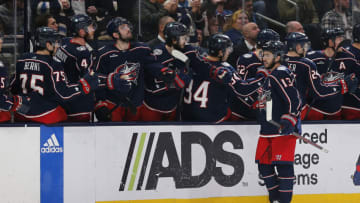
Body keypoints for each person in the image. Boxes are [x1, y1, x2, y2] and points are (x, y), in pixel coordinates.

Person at [10, 27, 100, 124]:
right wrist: (83, 86)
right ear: (48, 45)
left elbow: (13, 87)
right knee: (63, 114)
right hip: (44, 114)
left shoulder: (23, 59)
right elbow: (62, 94)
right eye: (55, 43)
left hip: (22, 112)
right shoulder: (53, 64)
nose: (58, 46)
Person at [93, 17, 175, 122]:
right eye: (123, 27)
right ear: (115, 35)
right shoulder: (104, 54)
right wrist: (100, 104)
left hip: (135, 104)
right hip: (113, 104)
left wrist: (163, 71)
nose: (128, 29)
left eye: (128, 26)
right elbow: (97, 78)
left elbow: (152, 64)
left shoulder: (141, 49)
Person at [255, 40, 301, 203]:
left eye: (267, 55)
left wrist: (290, 118)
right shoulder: (271, 76)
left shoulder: (281, 72)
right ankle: (275, 198)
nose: (263, 58)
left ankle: (283, 201)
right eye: (263, 55)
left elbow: (294, 98)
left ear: (279, 56)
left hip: (281, 131)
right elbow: (268, 100)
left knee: (283, 167)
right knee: (263, 165)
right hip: (267, 130)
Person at [182, 33, 265, 123]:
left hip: (187, 116)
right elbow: (242, 89)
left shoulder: (197, 62)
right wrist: (262, 78)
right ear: (221, 52)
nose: (229, 52)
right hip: (212, 118)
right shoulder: (225, 69)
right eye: (228, 49)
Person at [284, 32, 357, 120]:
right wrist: (341, 86)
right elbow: (318, 91)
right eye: (304, 45)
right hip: (302, 111)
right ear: (298, 46)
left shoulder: (278, 62)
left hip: (279, 112)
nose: (306, 48)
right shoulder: (307, 63)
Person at [306, 27, 359, 120]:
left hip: (336, 109)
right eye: (339, 39)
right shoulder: (312, 59)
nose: (343, 42)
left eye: (342, 38)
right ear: (330, 42)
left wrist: (353, 83)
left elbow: (355, 81)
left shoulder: (349, 58)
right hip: (315, 109)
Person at [143, 22, 192, 121]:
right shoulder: (157, 54)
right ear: (174, 40)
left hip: (172, 106)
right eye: (183, 38)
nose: (185, 41)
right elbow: (172, 80)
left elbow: (185, 75)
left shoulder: (181, 53)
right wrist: (175, 78)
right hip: (153, 107)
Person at [53, 14, 97, 121]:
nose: (93, 30)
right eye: (90, 27)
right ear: (81, 31)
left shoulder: (65, 43)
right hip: (80, 103)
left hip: (64, 98)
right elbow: (89, 79)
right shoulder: (82, 53)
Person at [229, 28, 280, 121]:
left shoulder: (276, 60)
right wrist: (254, 104)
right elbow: (241, 87)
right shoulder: (246, 59)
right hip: (245, 109)